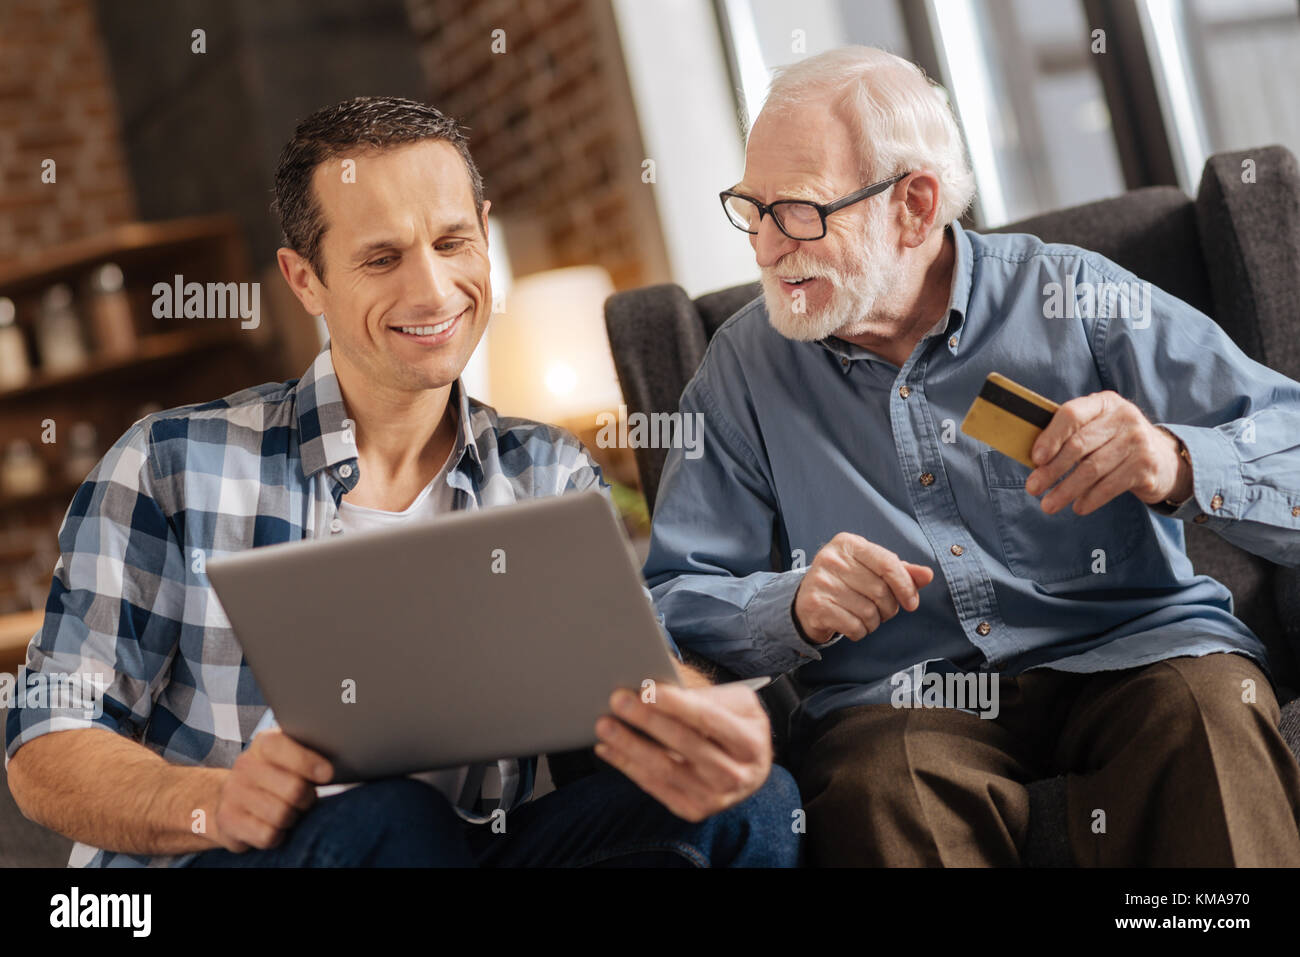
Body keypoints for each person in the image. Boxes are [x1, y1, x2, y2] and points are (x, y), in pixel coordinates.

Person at [5, 96, 801, 868]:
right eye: (382, 258)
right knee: (391, 817)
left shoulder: (544, 470)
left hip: (458, 846)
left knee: (753, 806)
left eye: (453, 242)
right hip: (237, 856)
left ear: (484, 235)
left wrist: (694, 714)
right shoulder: (170, 461)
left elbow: (635, 683)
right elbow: (44, 745)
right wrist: (214, 801)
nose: (431, 290)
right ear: (305, 280)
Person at [643, 46, 1300, 866]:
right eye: (752, 207)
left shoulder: (1077, 297)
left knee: (1209, 714)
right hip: (904, 703)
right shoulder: (742, 371)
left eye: (800, 211)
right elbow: (669, 595)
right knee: (883, 783)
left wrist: (1178, 458)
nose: (766, 248)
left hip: (1134, 652)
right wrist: (793, 606)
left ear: (914, 206)